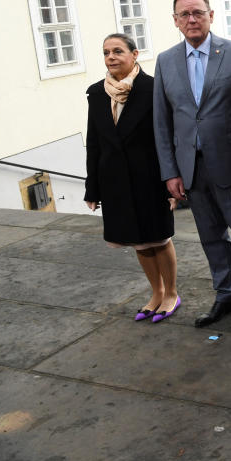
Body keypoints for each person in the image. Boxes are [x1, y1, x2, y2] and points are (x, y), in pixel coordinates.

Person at [153, 0, 231, 333]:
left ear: (211, 15)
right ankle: (226, 293)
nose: (191, 19)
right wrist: (170, 172)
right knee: (211, 237)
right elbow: (162, 121)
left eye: (197, 13)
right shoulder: (166, 61)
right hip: (192, 169)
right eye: (184, 14)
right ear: (175, 21)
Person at [86, 34, 179, 323]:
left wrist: (172, 181)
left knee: (158, 237)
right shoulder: (97, 93)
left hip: (149, 177)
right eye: (106, 52)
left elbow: (168, 137)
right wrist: (93, 188)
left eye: (117, 51)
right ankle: (156, 292)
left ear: (134, 54)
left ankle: (172, 294)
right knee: (138, 241)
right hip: (115, 180)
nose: (111, 57)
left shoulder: (153, 89)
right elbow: (95, 142)